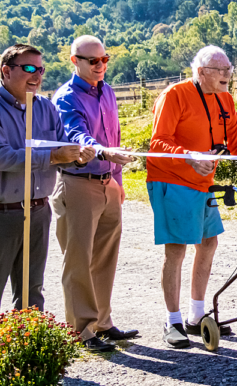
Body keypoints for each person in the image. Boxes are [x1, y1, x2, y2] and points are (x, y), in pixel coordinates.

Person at [148, 45, 237, 349]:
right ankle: (172, 321)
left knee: (208, 243)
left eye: (228, 68)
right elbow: (158, 142)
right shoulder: (174, 95)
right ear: (201, 72)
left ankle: (196, 316)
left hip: (204, 182)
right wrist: (189, 156)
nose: (226, 74)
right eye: (219, 70)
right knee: (177, 249)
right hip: (171, 179)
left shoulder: (225, 98)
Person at [51, 36, 138, 353]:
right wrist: (104, 153)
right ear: (74, 61)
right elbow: (78, 135)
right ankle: (81, 331)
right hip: (77, 184)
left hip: (107, 182)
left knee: (105, 258)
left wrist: (117, 179)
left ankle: (102, 322)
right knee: (78, 261)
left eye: (105, 59)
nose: (100, 65)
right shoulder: (66, 98)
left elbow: (114, 135)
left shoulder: (108, 91)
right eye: (93, 61)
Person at [0, 44, 95, 312]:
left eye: (41, 70)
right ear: (5, 71)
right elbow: (3, 156)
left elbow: (62, 146)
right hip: (3, 213)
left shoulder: (45, 107)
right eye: (29, 68)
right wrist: (53, 156)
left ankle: (29, 338)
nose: (37, 76)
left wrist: (78, 155)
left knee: (32, 292)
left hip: (39, 211)